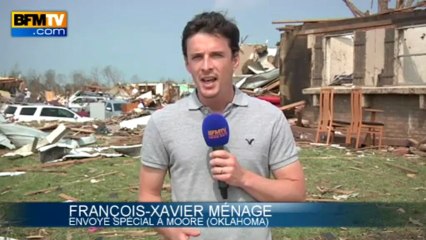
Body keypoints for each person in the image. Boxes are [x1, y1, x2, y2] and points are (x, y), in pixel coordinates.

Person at [139, 11, 305, 240]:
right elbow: (148, 196)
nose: (206, 66)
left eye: (216, 55)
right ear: (187, 63)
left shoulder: (270, 118)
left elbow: (296, 193)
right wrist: (171, 231)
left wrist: (243, 178)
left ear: (235, 59)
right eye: (197, 57)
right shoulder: (162, 123)